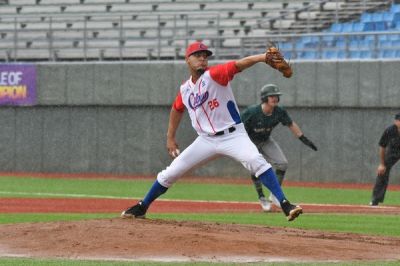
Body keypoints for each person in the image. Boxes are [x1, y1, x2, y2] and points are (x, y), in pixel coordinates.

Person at [121, 41, 303, 221]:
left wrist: (263, 57)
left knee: (256, 160)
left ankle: (285, 204)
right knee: (171, 172)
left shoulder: (214, 75)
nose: (202, 59)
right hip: (206, 140)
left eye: (205, 56)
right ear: (187, 60)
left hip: (233, 135)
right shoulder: (185, 89)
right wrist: (170, 137)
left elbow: (238, 65)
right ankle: (142, 206)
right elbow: (177, 109)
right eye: (198, 56)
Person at [241, 84, 317, 211]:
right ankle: (261, 197)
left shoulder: (279, 111)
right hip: (250, 141)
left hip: (265, 140)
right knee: (255, 168)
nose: (275, 98)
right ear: (264, 98)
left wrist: (302, 138)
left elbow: (290, 123)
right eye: (272, 96)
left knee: (282, 163)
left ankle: (275, 195)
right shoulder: (252, 112)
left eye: (277, 96)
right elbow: (238, 125)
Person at [370, 112, 400, 206]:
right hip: (394, 150)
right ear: (395, 121)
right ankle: (375, 199)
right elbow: (382, 146)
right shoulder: (390, 130)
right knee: (382, 171)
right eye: (398, 120)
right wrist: (382, 164)